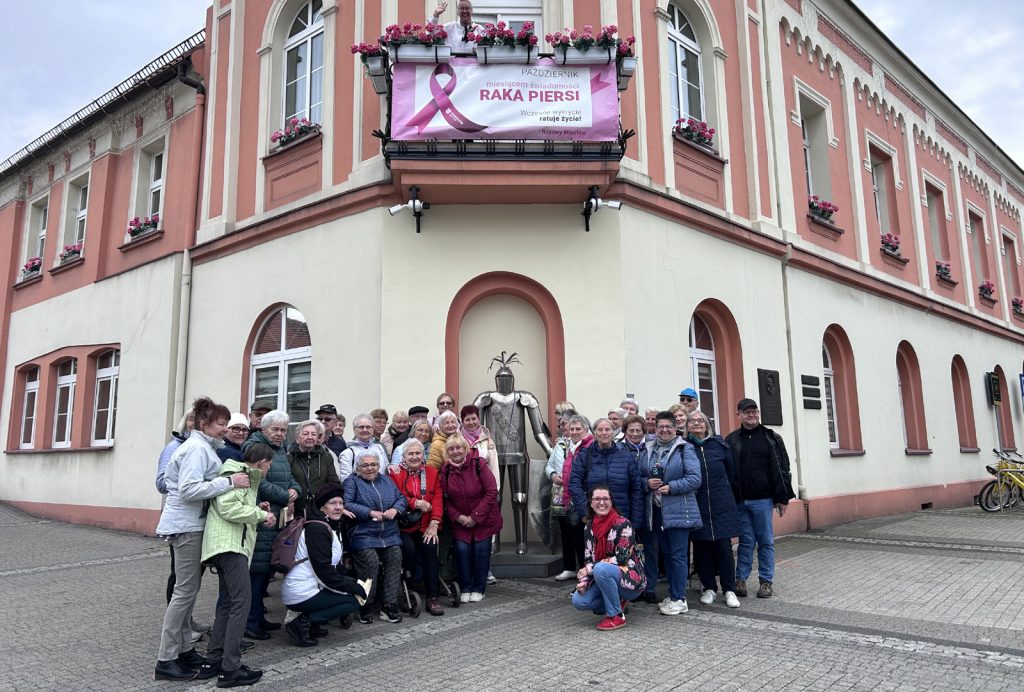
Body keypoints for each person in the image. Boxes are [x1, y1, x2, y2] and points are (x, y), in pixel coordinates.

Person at [153, 396, 249, 682]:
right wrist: (229, 482)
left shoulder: (201, 446)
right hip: (186, 527)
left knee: (188, 591)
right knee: (184, 593)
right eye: (221, 424)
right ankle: (166, 658)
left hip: (190, 525)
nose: (225, 429)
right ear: (204, 424)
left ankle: (183, 650)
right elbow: (189, 490)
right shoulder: (196, 449)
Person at [194, 443, 277, 687]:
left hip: (225, 546)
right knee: (242, 602)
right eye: (269, 466)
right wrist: (262, 515)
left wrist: (254, 509)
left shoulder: (239, 475)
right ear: (262, 462)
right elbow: (228, 508)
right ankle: (230, 669)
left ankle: (213, 659)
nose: (269, 470)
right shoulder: (237, 475)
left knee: (229, 603)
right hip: (229, 547)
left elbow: (232, 506)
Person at [281, 484, 370, 647]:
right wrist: (352, 587)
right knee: (353, 601)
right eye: (333, 503)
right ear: (322, 507)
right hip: (301, 591)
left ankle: (312, 624)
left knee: (351, 591)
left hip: (309, 586)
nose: (338, 507)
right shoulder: (317, 529)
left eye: (341, 503)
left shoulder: (326, 524)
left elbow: (331, 567)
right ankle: (302, 623)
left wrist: (351, 581)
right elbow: (324, 571)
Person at [725, 398, 796, 599]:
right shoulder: (732, 439)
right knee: (746, 541)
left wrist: (783, 498)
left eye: (755, 411)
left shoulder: (771, 438)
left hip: (763, 500)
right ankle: (741, 580)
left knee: (765, 541)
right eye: (747, 412)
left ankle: (766, 581)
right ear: (739, 415)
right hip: (740, 500)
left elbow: (783, 469)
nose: (752, 415)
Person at [242, 410, 301, 640]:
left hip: (276, 518)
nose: (279, 434)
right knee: (256, 572)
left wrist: (295, 490)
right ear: (264, 429)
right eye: (275, 429)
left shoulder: (280, 450)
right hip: (262, 516)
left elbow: (290, 476)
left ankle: (258, 618)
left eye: (283, 430)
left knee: (265, 571)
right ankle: (249, 622)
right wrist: (285, 496)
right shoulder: (254, 447)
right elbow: (259, 482)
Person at [639, 411, 702, 615]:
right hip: (656, 510)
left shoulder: (685, 449)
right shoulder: (647, 448)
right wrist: (646, 483)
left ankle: (679, 598)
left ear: (676, 428)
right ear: (655, 429)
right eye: (660, 427)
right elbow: (638, 476)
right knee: (666, 553)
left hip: (678, 509)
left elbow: (695, 479)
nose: (664, 430)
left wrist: (671, 487)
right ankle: (673, 593)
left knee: (678, 555)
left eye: (668, 426)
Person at [343, 450, 408, 624]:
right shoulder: (352, 482)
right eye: (365, 465)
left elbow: (401, 498)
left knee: (395, 556)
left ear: (379, 466)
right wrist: (369, 512)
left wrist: (395, 509)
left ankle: (389, 605)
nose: (370, 468)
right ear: (358, 468)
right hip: (363, 532)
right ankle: (365, 603)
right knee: (370, 561)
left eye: (373, 465)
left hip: (388, 532)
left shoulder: (386, 480)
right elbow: (347, 503)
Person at [570, 485, 647, 631]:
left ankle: (616, 615)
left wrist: (589, 569)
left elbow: (622, 559)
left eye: (605, 498)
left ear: (611, 502)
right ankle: (616, 601)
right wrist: (585, 582)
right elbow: (588, 560)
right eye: (597, 499)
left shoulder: (624, 524)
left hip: (630, 580)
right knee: (578, 601)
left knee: (600, 568)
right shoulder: (588, 528)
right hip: (602, 576)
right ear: (591, 503)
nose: (601, 502)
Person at [686, 410, 741, 609]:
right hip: (697, 504)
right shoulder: (685, 447)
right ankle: (709, 587)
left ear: (707, 424)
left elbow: (732, 473)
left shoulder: (719, 445)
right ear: (687, 426)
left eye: (700, 420)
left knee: (723, 548)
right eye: (692, 421)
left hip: (721, 503)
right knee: (702, 548)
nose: (696, 423)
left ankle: (729, 589)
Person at [439, 434, 501, 602]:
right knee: (461, 551)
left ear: (465, 448)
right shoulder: (446, 470)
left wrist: (475, 516)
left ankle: (479, 588)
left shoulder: (478, 463)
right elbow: (444, 497)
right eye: (451, 449)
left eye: (458, 447)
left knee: (481, 551)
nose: (455, 451)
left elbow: (491, 492)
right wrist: (458, 517)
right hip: (460, 520)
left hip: (483, 518)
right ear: (447, 452)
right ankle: (465, 587)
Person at [389, 439, 445, 616]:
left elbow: (437, 498)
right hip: (404, 527)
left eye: (418, 453)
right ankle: (408, 592)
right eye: (410, 454)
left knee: (430, 549)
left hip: (426, 525)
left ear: (423, 455)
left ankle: (432, 597)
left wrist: (435, 522)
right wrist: (414, 502)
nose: (414, 457)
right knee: (409, 550)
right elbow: (394, 497)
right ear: (404, 456)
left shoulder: (432, 472)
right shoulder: (395, 473)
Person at [568, 418, 643, 529]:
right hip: (594, 517)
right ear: (594, 433)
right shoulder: (584, 455)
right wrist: (585, 512)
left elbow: (636, 489)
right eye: (600, 430)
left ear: (613, 432)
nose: (604, 433)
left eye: (607, 429)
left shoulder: (627, 457)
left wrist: (635, 523)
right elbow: (574, 484)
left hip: (621, 517)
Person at [548, 414, 592, 581]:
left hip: (583, 499)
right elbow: (551, 465)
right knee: (570, 534)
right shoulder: (567, 445)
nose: (574, 432)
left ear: (586, 430)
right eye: (571, 429)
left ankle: (585, 575)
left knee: (583, 539)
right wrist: (553, 475)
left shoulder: (589, 446)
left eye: (577, 429)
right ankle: (576, 571)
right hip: (567, 497)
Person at [288, 419, 341, 518]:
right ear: (297, 438)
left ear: (317, 438)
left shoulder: (326, 456)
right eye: (305, 434)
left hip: (320, 510)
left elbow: (333, 482)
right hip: (296, 510)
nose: (310, 437)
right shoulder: (289, 457)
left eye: (313, 434)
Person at [336, 414, 389, 482]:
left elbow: (386, 471)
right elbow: (346, 481)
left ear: (373, 429)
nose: (365, 430)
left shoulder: (379, 448)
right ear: (354, 430)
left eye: (368, 427)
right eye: (361, 427)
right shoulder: (348, 453)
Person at [460, 404, 499, 486]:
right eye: (467, 419)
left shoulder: (488, 441)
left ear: (479, 419)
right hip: (462, 486)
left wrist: (495, 489)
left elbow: (494, 467)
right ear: (462, 421)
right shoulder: (456, 440)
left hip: (484, 486)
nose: (471, 422)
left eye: (474, 419)